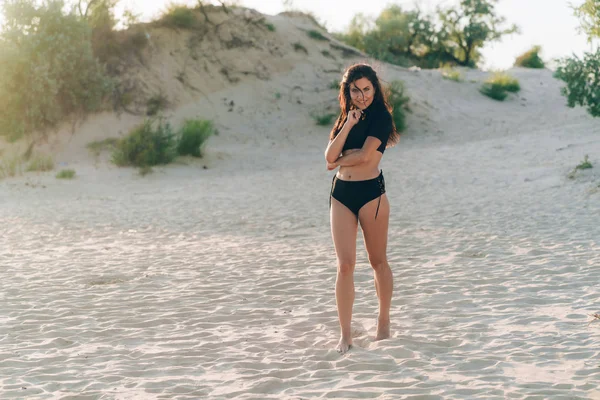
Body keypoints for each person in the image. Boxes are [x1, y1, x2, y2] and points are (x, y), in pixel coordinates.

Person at [324, 63, 399, 354]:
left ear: (374, 88)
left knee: (377, 261)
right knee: (344, 266)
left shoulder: (381, 116)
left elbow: (368, 157)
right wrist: (349, 125)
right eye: (356, 89)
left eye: (367, 89)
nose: (362, 95)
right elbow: (329, 153)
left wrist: (339, 160)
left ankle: (383, 321)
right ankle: (345, 335)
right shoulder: (346, 117)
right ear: (348, 90)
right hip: (342, 194)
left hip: (371, 194)